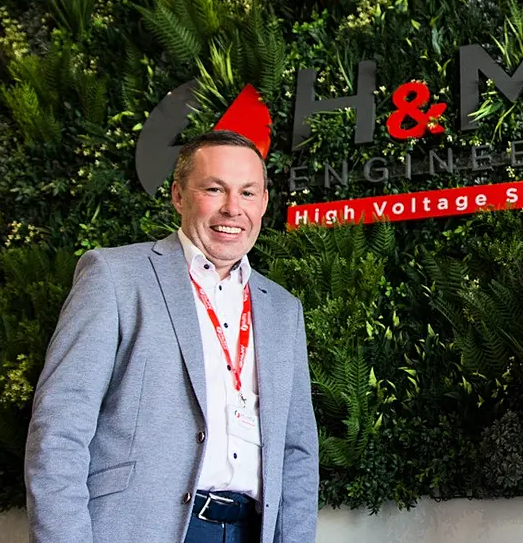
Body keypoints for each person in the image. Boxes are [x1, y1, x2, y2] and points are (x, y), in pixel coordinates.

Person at [25, 131, 318, 543]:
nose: (233, 209)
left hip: (249, 531)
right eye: (214, 189)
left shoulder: (283, 309)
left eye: (248, 192)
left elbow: (297, 451)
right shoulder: (114, 277)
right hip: (140, 528)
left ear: (265, 202)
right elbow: (60, 428)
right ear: (179, 196)